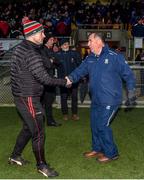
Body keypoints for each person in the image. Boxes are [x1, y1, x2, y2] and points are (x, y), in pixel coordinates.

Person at [9, 18, 68, 177]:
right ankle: (42, 165)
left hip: (21, 95)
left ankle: (15, 156)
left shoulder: (21, 48)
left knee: (29, 128)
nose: (44, 36)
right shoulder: (31, 52)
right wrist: (65, 82)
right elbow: (45, 79)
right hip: (28, 97)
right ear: (33, 34)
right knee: (39, 132)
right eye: (41, 32)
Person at [65, 32, 136, 163]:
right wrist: (70, 78)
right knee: (94, 124)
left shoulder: (115, 57)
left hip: (110, 99)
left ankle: (112, 153)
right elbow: (80, 70)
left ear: (99, 41)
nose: (88, 43)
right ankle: (97, 148)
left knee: (102, 125)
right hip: (96, 99)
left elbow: (129, 75)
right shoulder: (90, 58)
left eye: (90, 40)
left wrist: (131, 92)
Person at [57, 38, 82, 121]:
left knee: (74, 97)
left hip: (74, 80)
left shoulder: (74, 53)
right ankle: (65, 114)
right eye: (64, 44)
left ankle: (74, 114)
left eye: (67, 43)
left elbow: (80, 65)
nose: (66, 45)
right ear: (61, 46)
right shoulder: (57, 55)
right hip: (62, 80)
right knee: (63, 97)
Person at [41, 31, 61, 127]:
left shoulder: (50, 50)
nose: (53, 41)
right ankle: (44, 120)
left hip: (50, 79)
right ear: (47, 40)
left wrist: (51, 60)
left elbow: (57, 61)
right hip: (44, 79)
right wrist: (51, 60)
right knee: (44, 101)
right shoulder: (42, 49)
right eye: (51, 39)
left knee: (49, 101)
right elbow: (47, 64)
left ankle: (49, 120)